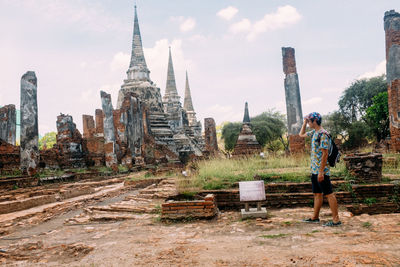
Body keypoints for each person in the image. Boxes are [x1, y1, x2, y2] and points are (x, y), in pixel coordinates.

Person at [299, 112, 341, 227]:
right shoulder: (314, 132)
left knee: (329, 193)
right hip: (314, 169)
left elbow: (325, 154)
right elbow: (301, 135)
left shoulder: (323, 134)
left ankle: (336, 220)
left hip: (322, 171)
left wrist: (321, 171)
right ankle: (315, 217)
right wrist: (304, 122)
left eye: (309, 121)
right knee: (317, 194)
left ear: (314, 121)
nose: (308, 124)